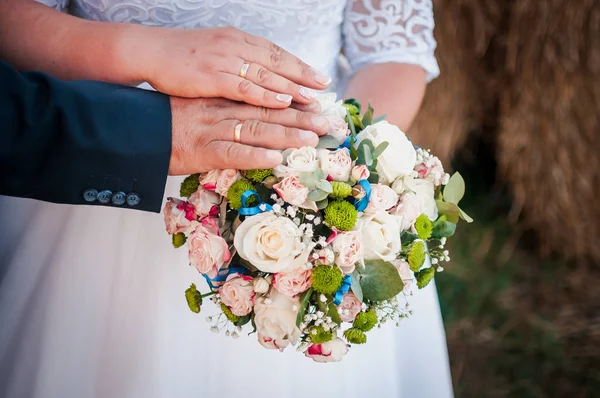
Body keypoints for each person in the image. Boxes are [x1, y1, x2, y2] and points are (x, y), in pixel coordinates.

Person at [0, 1, 453, 398]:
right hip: (106, 165)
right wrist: (150, 51)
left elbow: (393, 53)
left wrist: (332, 173)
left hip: (310, 184)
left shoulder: (326, 190)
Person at [0, 60, 325, 211]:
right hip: (102, 151)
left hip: (301, 163)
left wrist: (341, 159)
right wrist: (139, 50)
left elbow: (376, 55)